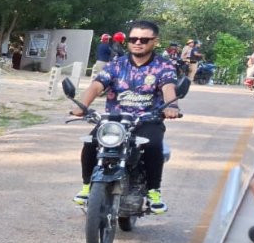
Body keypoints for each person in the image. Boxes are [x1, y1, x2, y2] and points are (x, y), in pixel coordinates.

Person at [70, 19, 180, 214]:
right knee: (90, 143)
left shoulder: (163, 66)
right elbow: (97, 85)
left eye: (144, 40)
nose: (138, 42)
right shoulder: (117, 64)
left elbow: (168, 87)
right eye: (133, 38)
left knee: (153, 145)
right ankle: (88, 185)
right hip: (115, 120)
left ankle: (154, 191)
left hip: (148, 119)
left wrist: (171, 106)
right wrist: (82, 105)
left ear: (155, 41)